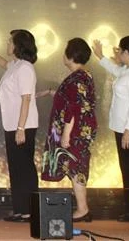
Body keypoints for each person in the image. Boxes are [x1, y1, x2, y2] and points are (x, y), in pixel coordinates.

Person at [0, 30, 39, 223]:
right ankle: (20, 209)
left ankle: (30, 210)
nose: (7, 43)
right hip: (12, 124)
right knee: (16, 168)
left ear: (18, 45)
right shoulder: (15, 65)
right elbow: (3, 63)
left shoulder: (26, 68)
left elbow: (26, 99)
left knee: (25, 168)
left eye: (10, 41)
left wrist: (21, 128)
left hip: (23, 126)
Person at [40, 38, 97, 222]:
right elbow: (72, 99)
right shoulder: (83, 75)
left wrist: (66, 133)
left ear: (71, 55)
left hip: (76, 132)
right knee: (76, 166)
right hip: (82, 130)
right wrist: (51, 92)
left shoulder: (77, 78)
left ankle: (83, 209)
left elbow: (73, 107)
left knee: (76, 167)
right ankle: (82, 208)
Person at [93, 36, 129, 223]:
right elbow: (115, 69)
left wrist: (128, 130)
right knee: (127, 169)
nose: (117, 54)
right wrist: (100, 57)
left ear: (126, 52)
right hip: (122, 127)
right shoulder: (128, 70)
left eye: (119, 51)